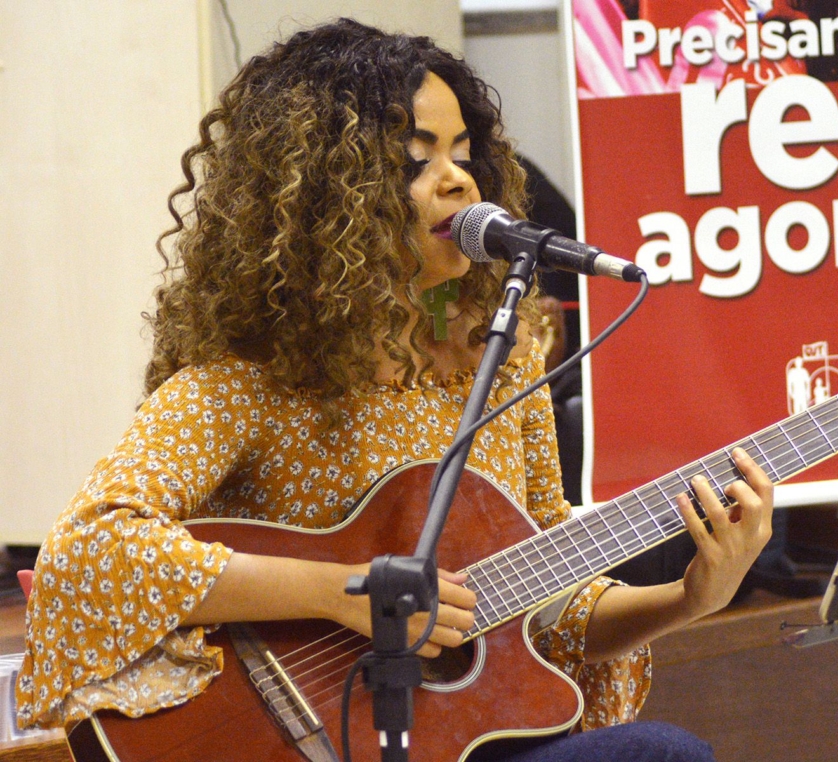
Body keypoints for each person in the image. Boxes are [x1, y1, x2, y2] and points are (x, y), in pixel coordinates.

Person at [15, 18, 774, 760]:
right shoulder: (244, 385)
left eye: (464, 155)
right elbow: (89, 550)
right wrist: (338, 591)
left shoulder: (501, 366)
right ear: (322, 198)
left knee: (655, 752)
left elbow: (548, 607)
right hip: (303, 735)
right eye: (416, 161)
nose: (457, 180)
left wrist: (688, 599)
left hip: (461, 736)